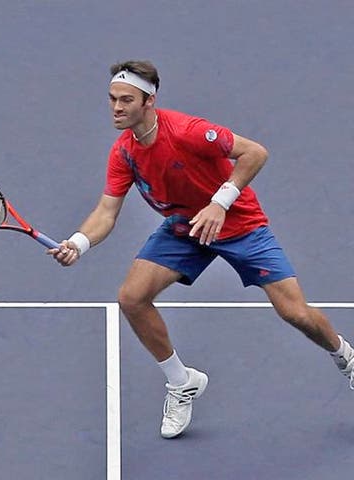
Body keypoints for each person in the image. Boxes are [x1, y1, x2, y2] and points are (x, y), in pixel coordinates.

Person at [49, 60, 354, 439]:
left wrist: (219, 202)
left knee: (295, 313)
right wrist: (78, 242)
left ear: (149, 101)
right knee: (131, 297)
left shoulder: (189, 131)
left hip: (240, 225)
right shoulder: (124, 152)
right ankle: (182, 382)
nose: (116, 108)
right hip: (183, 230)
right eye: (112, 99)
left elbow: (255, 152)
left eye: (126, 100)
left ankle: (345, 356)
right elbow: (106, 211)